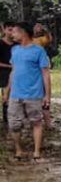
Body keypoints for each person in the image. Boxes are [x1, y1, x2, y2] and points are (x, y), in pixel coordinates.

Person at [3, 22, 50, 161]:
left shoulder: (39, 51)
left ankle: (36, 151)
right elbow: (13, 71)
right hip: (15, 94)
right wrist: (7, 91)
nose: (12, 34)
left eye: (15, 32)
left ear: (23, 33)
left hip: (34, 94)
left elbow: (45, 73)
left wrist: (47, 95)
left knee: (36, 122)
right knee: (14, 124)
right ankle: (18, 149)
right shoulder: (15, 50)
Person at [0, 22, 16, 123]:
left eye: (13, 30)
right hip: (3, 72)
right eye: (9, 30)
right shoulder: (0, 43)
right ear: (4, 30)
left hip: (17, 72)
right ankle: (7, 118)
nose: (11, 33)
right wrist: (10, 66)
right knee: (7, 94)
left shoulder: (17, 44)